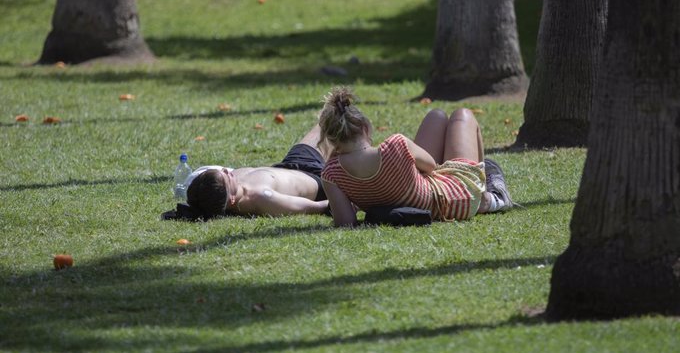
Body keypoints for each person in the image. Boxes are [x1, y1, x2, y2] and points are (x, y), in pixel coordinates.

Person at [318, 87, 515, 227]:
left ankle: (485, 188)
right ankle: (489, 197)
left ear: (333, 140)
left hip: (419, 197)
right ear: (365, 127)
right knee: (462, 115)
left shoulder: (332, 173)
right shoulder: (395, 145)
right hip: (454, 199)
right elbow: (431, 166)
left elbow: (346, 222)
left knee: (436, 116)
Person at [171, 124, 331, 220]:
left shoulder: (223, 190)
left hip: (289, 165)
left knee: (329, 118)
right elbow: (314, 207)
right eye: (225, 177)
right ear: (231, 199)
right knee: (340, 127)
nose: (226, 171)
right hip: (319, 177)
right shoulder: (261, 197)